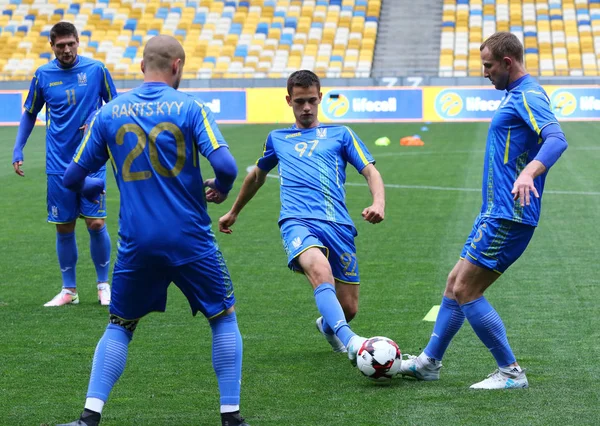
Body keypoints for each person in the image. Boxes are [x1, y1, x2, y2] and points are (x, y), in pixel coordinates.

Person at [56, 35, 248, 426]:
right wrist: (221, 189)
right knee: (223, 317)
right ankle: (231, 417)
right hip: (190, 239)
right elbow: (226, 167)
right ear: (177, 66)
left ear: (143, 66)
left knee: (121, 326)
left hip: (137, 243)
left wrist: (94, 185)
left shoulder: (110, 113)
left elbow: (72, 177)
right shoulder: (191, 108)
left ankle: (89, 417)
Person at [398, 32, 568, 389]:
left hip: (510, 214)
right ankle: (429, 361)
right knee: (454, 283)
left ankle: (510, 372)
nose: (485, 72)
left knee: (467, 290)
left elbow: (556, 138)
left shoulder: (528, 95)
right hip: (495, 212)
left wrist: (527, 172)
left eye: (488, 66)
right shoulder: (516, 94)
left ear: (508, 62)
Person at [218, 70, 386, 365]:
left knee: (348, 307)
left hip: (339, 225)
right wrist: (234, 211)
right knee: (319, 271)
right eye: (299, 102)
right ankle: (353, 343)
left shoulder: (341, 134)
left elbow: (370, 171)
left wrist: (378, 202)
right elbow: (257, 175)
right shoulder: (277, 138)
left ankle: (329, 324)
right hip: (297, 221)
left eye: (311, 100)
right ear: (289, 101)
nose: (306, 107)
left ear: (320, 98)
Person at [12, 21, 117, 307]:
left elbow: (115, 105)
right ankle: (69, 290)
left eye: (71, 44)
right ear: (52, 46)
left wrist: (96, 119)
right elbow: (30, 112)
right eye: (61, 46)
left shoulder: (97, 70)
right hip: (58, 163)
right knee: (64, 226)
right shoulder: (43, 75)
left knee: (96, 224)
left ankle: (103, 285)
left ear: (78, 42)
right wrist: (18, 147)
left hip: (90, 159)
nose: (67, 50)